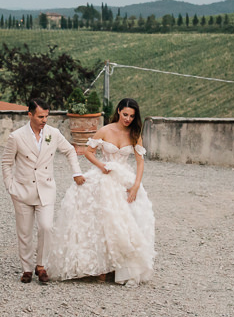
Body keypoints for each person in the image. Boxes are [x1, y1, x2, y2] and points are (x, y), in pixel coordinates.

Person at [47, 98, 155, 286]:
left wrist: (136, 185)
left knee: (128, 220)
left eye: (132, 116)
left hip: (125, 178)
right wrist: (101, 165)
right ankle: (101, 266)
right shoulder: (105, 130)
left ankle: (121, 266)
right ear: (119, 111)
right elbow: (88, 152)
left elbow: (140, 162)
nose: (128, 119)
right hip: (104, 177)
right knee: (102, 219)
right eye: (125, 114)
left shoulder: (135, 133)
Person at [1, 98, 85, 284]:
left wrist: (76, 172)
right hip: (22, 190)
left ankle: (41, 265)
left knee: (46, 227)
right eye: (40, 116)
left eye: (46, 116)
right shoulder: (16, 136)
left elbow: (70, 150)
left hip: (46, 189)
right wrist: (10, 186)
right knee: (24, 232)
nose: (44, 120)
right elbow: (7, 162)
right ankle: (26, 269)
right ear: (29, 114)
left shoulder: (53, 134)